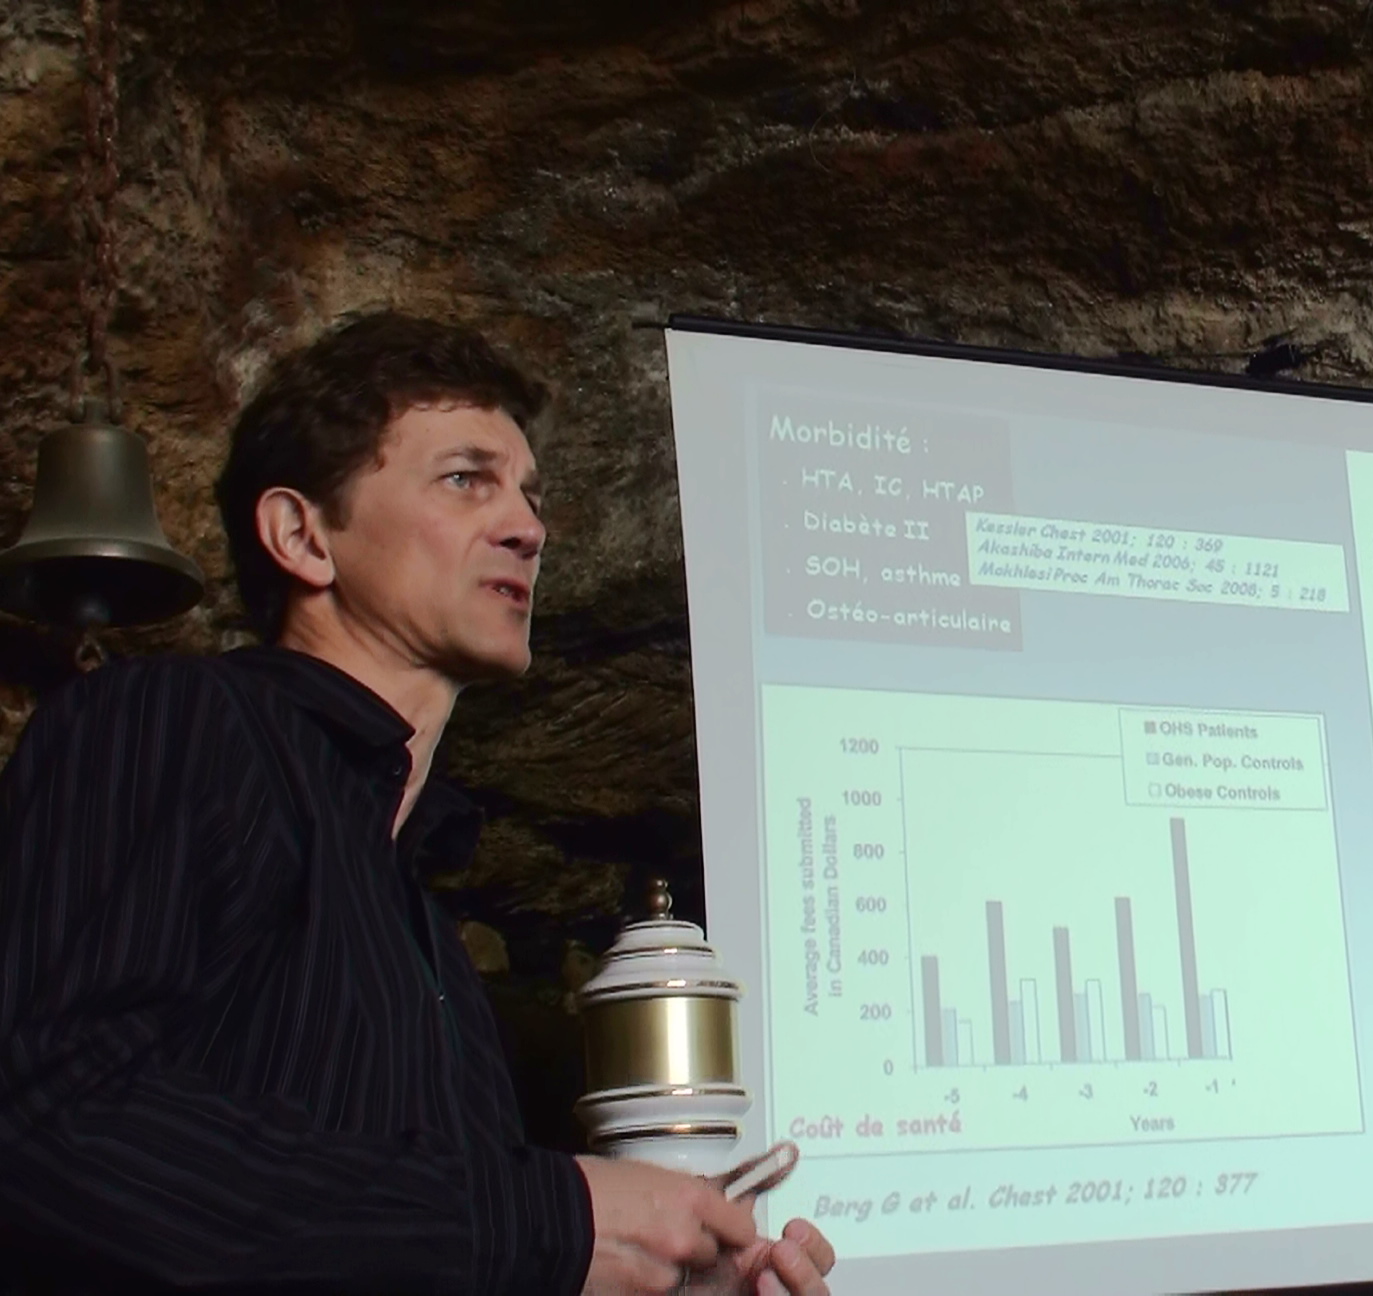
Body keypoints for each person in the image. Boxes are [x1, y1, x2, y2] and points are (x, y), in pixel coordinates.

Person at [0, 312, 834, 1296]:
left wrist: (669, 1276)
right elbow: (42, 1120)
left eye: (529, 495)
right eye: (466, 479)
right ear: (302, 535)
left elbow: (412, 1252)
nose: (529, 528)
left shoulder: (429, 942)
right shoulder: (168, 723)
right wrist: (553, 1219)